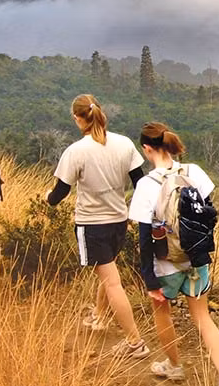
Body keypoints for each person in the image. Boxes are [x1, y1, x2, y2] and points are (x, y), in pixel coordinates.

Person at [129, 121, 219, 386]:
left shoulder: (146, 184)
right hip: (196, 258)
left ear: (147, 149)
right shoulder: (194, 171)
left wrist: (148, 278)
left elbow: (143, 236)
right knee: (203, 318)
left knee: (162, 312)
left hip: (166, 264)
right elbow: (207, 214)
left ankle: (173, 366)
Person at [46, 94, 149, 359]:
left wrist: (45, 198)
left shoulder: (76, 151)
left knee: (112, 282)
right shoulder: (124, 144)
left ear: (77, 118)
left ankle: (135, 342)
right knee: (109, 273)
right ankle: (100, 317)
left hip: (92, 225)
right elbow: (141, 182)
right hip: (118, 221)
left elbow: (59, 195)